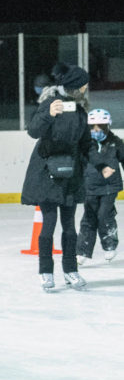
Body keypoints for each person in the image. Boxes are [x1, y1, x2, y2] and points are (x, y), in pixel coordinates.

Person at [21, 62, 91, 292]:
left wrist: (100, 165)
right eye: (84, 84)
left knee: (69, 227)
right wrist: (49, 115)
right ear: (76, 86)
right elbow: (33, 131)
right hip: (47, 175)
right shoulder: (50, 104)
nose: (86, 88)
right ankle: (46, 272)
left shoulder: (80, 111)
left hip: (70, 174)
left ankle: (71, 270)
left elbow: (86, 144)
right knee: (48, 226)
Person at [77, 109, 124, 264]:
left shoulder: (116, 143)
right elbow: (78, 164)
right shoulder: (84, 144)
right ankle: (82, 251)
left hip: (110, 186)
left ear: (107, 126)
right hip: (89, 186)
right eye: (92, 127)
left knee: (104, 214)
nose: (96, 130)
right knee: (89, 217)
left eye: (100, 127)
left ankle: (110, 245)